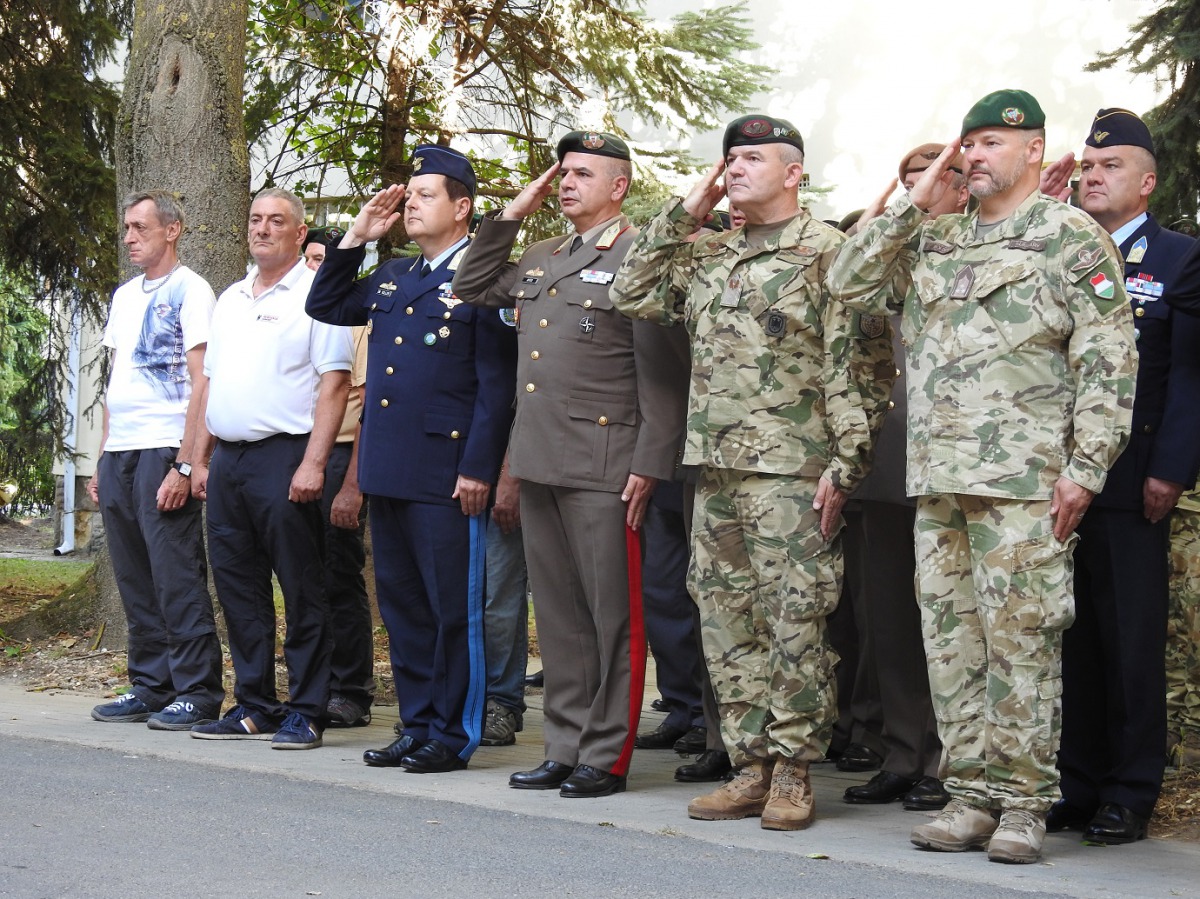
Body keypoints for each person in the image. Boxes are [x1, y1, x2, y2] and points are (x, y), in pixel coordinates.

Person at [828, 89, 1138, 864]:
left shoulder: (1070, 240)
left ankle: (1026, 803)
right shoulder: (936, 241)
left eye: (992, 142)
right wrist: (914, 198)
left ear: (1035, 149)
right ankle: (968, 793)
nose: (973, 156)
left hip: (1027, 484)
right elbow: (846, 282)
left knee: (1023, 643)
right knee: (953, 643)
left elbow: (1108, 361)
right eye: (967, 144)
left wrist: (1087, 470)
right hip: (939, 483)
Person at [611, 114, 887, 831]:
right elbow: (632, 291)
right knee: (727, 622)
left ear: (794, 172)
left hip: (794, 471)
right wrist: (685, 209)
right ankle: (750, 765)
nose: (734, 167)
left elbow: (858, 366)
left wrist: (847, 464)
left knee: (796, 621)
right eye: (728, 158)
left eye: (752, 157)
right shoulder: (711, 255)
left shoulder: (830, 252)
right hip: (716, 468)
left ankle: (795, 770)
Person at [452, 130, 689, 798]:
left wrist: (650, 462)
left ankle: (605, 754)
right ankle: (564, 741)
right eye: (562, 173)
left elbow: (664, 377)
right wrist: (512, 214)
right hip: (540, 457)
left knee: (612, 616)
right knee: (557, 614)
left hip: (609, 462)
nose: (566, 183)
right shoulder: (543, 253)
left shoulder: (642, 255)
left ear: (619, 186)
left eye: (582, 173)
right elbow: (471, 285)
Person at [307, 146, 517, 773]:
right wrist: (355, 237)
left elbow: (495, 388)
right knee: (401, 605)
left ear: (463, 207)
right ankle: (418, 721)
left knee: (451, 608)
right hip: (391, 466)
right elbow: (327, 305)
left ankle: (453, 734)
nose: (412, 204)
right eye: (410, 194)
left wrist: (479, 467)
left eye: (426, 194)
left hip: (447, 472)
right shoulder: (397, 273)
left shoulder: (483, 278)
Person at [1040, 109, 1200, 845]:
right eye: (1087, 168)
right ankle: (1077, 782)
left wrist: (1170, 468)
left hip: (1132, 479)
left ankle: (1130, 791)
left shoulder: (1178, 260)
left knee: (1129, 640)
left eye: (1109, 168)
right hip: (1052, 476)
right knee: (1070, 638)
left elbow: (1190, 376)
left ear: (1147, 181)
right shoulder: (1060, 250)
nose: (1092, 177)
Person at [190, 188, 352, 749]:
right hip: (230, 461)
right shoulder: (231, 298)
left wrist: (314, 463)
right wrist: (200, 458)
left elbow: (334, 384)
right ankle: (254, 703)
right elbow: (212, 385)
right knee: (238, 587)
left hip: (287, 456)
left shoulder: (319, 296)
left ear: (300, 232)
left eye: (276, 220)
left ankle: (307, 709)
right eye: (256, 219)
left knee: (303, 587)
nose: (262, 229)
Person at [839, 144, 969, 812]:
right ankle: (901, 750)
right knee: (887, 618)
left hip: (960, 463)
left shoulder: (975, 250)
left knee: (948, 621)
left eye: (931, 180)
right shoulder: (893, 257)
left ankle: (950, 759)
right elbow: (846, 278)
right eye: (907, 183)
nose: (919, 191)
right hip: (891, 459)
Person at [87, 190, 224, 731]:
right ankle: (150, 684)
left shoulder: (193, 291)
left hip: (166, 447)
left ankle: (197, 690)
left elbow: (203, 383)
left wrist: (188, 464)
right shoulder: (124, 297)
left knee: (176, 573)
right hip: (122, 448)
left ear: (172, 230)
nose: (129, 238)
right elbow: (116, 381)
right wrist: (101, 456)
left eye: (140, 227)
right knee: (134, 575)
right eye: (126, 228)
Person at [302, 226, 376, 729]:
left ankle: (352, 689)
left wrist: (351, 485)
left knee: (338, 575)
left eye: (324, 261)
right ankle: (313, 684)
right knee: (303, 578)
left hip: (340, 454)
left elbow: (367, 404)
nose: (315, 270)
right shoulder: (291, 316)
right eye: (310, 260)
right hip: (293, 453)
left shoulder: (354, 322)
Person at [480, 454, 531, 747]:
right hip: (452, 473)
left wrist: (510, 479)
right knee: (456, 599)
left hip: (503, 474)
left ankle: (503, 703)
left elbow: (517, 416)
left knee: (499, 600)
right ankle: (459, 701)